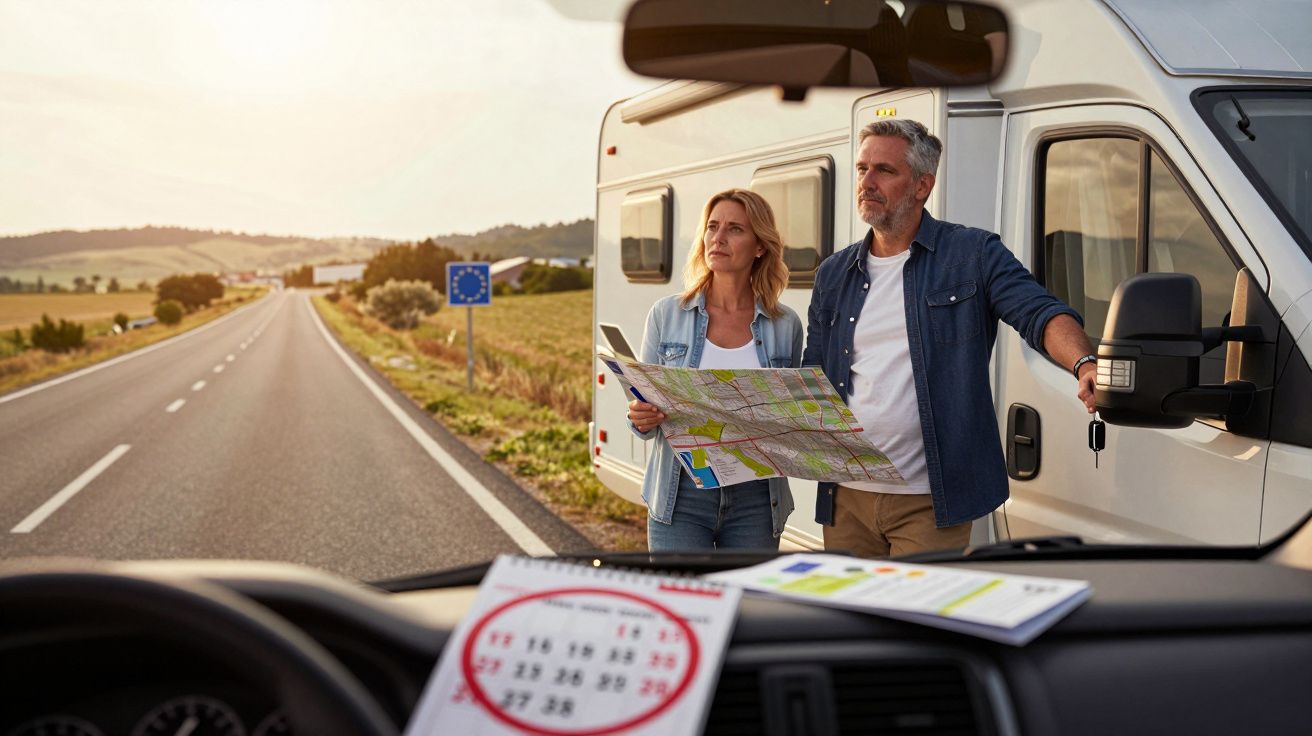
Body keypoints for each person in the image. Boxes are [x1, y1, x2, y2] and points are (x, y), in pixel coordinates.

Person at [804, 119, 1097, 558]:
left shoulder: (973, 254)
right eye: (862, 168)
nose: (867, 181)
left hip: (930, 500)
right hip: (845, 497)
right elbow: (812, 376)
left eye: (884, 170)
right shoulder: (834, 273)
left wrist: (1083, 363)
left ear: (922, 185)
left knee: (917, 622)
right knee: (854, 624)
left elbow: (1039, 312)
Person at [628, 188, 803, 551]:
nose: (718, 238)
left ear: (759, 246)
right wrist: (641, 416)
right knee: (682, 604)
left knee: (745, 606)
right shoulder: (666, 315)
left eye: (735, 229)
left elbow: (793, 418)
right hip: (681, 492)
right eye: (712, 227)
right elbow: (639, 419)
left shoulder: (785, 325)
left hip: (757, 498)